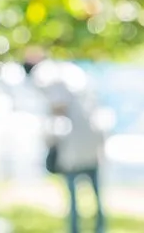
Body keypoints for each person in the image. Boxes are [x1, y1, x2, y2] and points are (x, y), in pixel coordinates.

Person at [30, 57, 107, 233]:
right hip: (88, 144)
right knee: (93, 192)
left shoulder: (57, 81)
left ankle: (79, 229)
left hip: (75, 148)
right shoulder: (78, 80)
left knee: (76, 195)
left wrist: (51, 138)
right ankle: (97, 228)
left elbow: (59, 112)